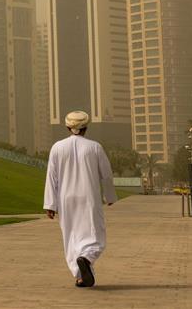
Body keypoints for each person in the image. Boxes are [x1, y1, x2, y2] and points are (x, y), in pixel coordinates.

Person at [43, 110, 117, 287]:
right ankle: (86, 258)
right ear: (86, 128)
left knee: (71, 236)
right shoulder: (94, 147)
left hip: (65, 199)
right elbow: (106, 175)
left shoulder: (57, 147)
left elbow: (51, 177)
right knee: (94, 234)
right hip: (88, 197)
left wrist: (50, 204)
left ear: (68, 127)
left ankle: (81, 276)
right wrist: (109, 195)